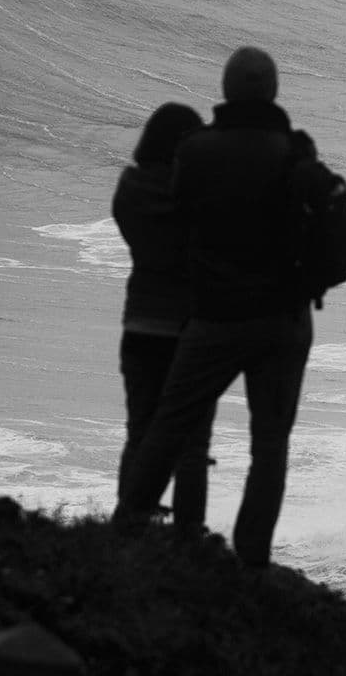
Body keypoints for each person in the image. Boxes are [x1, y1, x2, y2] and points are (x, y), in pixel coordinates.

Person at [114, 46, 346, 568]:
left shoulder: (197, 152)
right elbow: (331, 251)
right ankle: (251, 561)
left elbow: (180, 218)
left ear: (225, 92)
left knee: (170, 425)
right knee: (269, 445)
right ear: (271, 92)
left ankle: (127, 527)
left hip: (214, 316)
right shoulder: (295, 154)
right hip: (284, 319)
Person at [112, 102, 214, 534]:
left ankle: (130, 518)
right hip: (189, 329)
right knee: (191, 441)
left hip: (139, 324)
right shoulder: (194, 196)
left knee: (140, 431)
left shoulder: (129, 189)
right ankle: (188, 532)